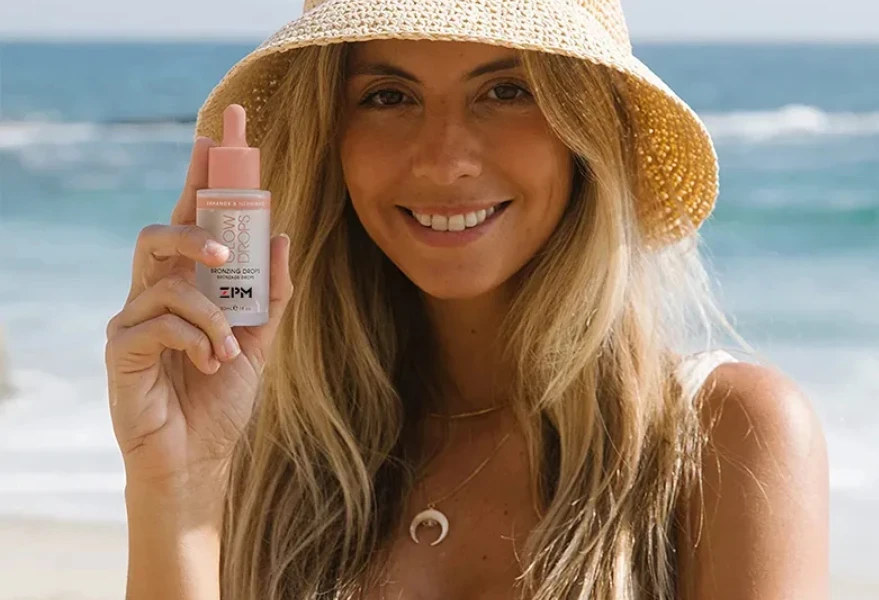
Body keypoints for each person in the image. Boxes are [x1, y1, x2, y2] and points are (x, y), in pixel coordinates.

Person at [104, 2, 829, 599]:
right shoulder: (268, 459)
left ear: (587, 132)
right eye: (388, 97)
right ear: (333, 138)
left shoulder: (727, 440)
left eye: (506, 91)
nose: (446, 158)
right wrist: (177, 489)